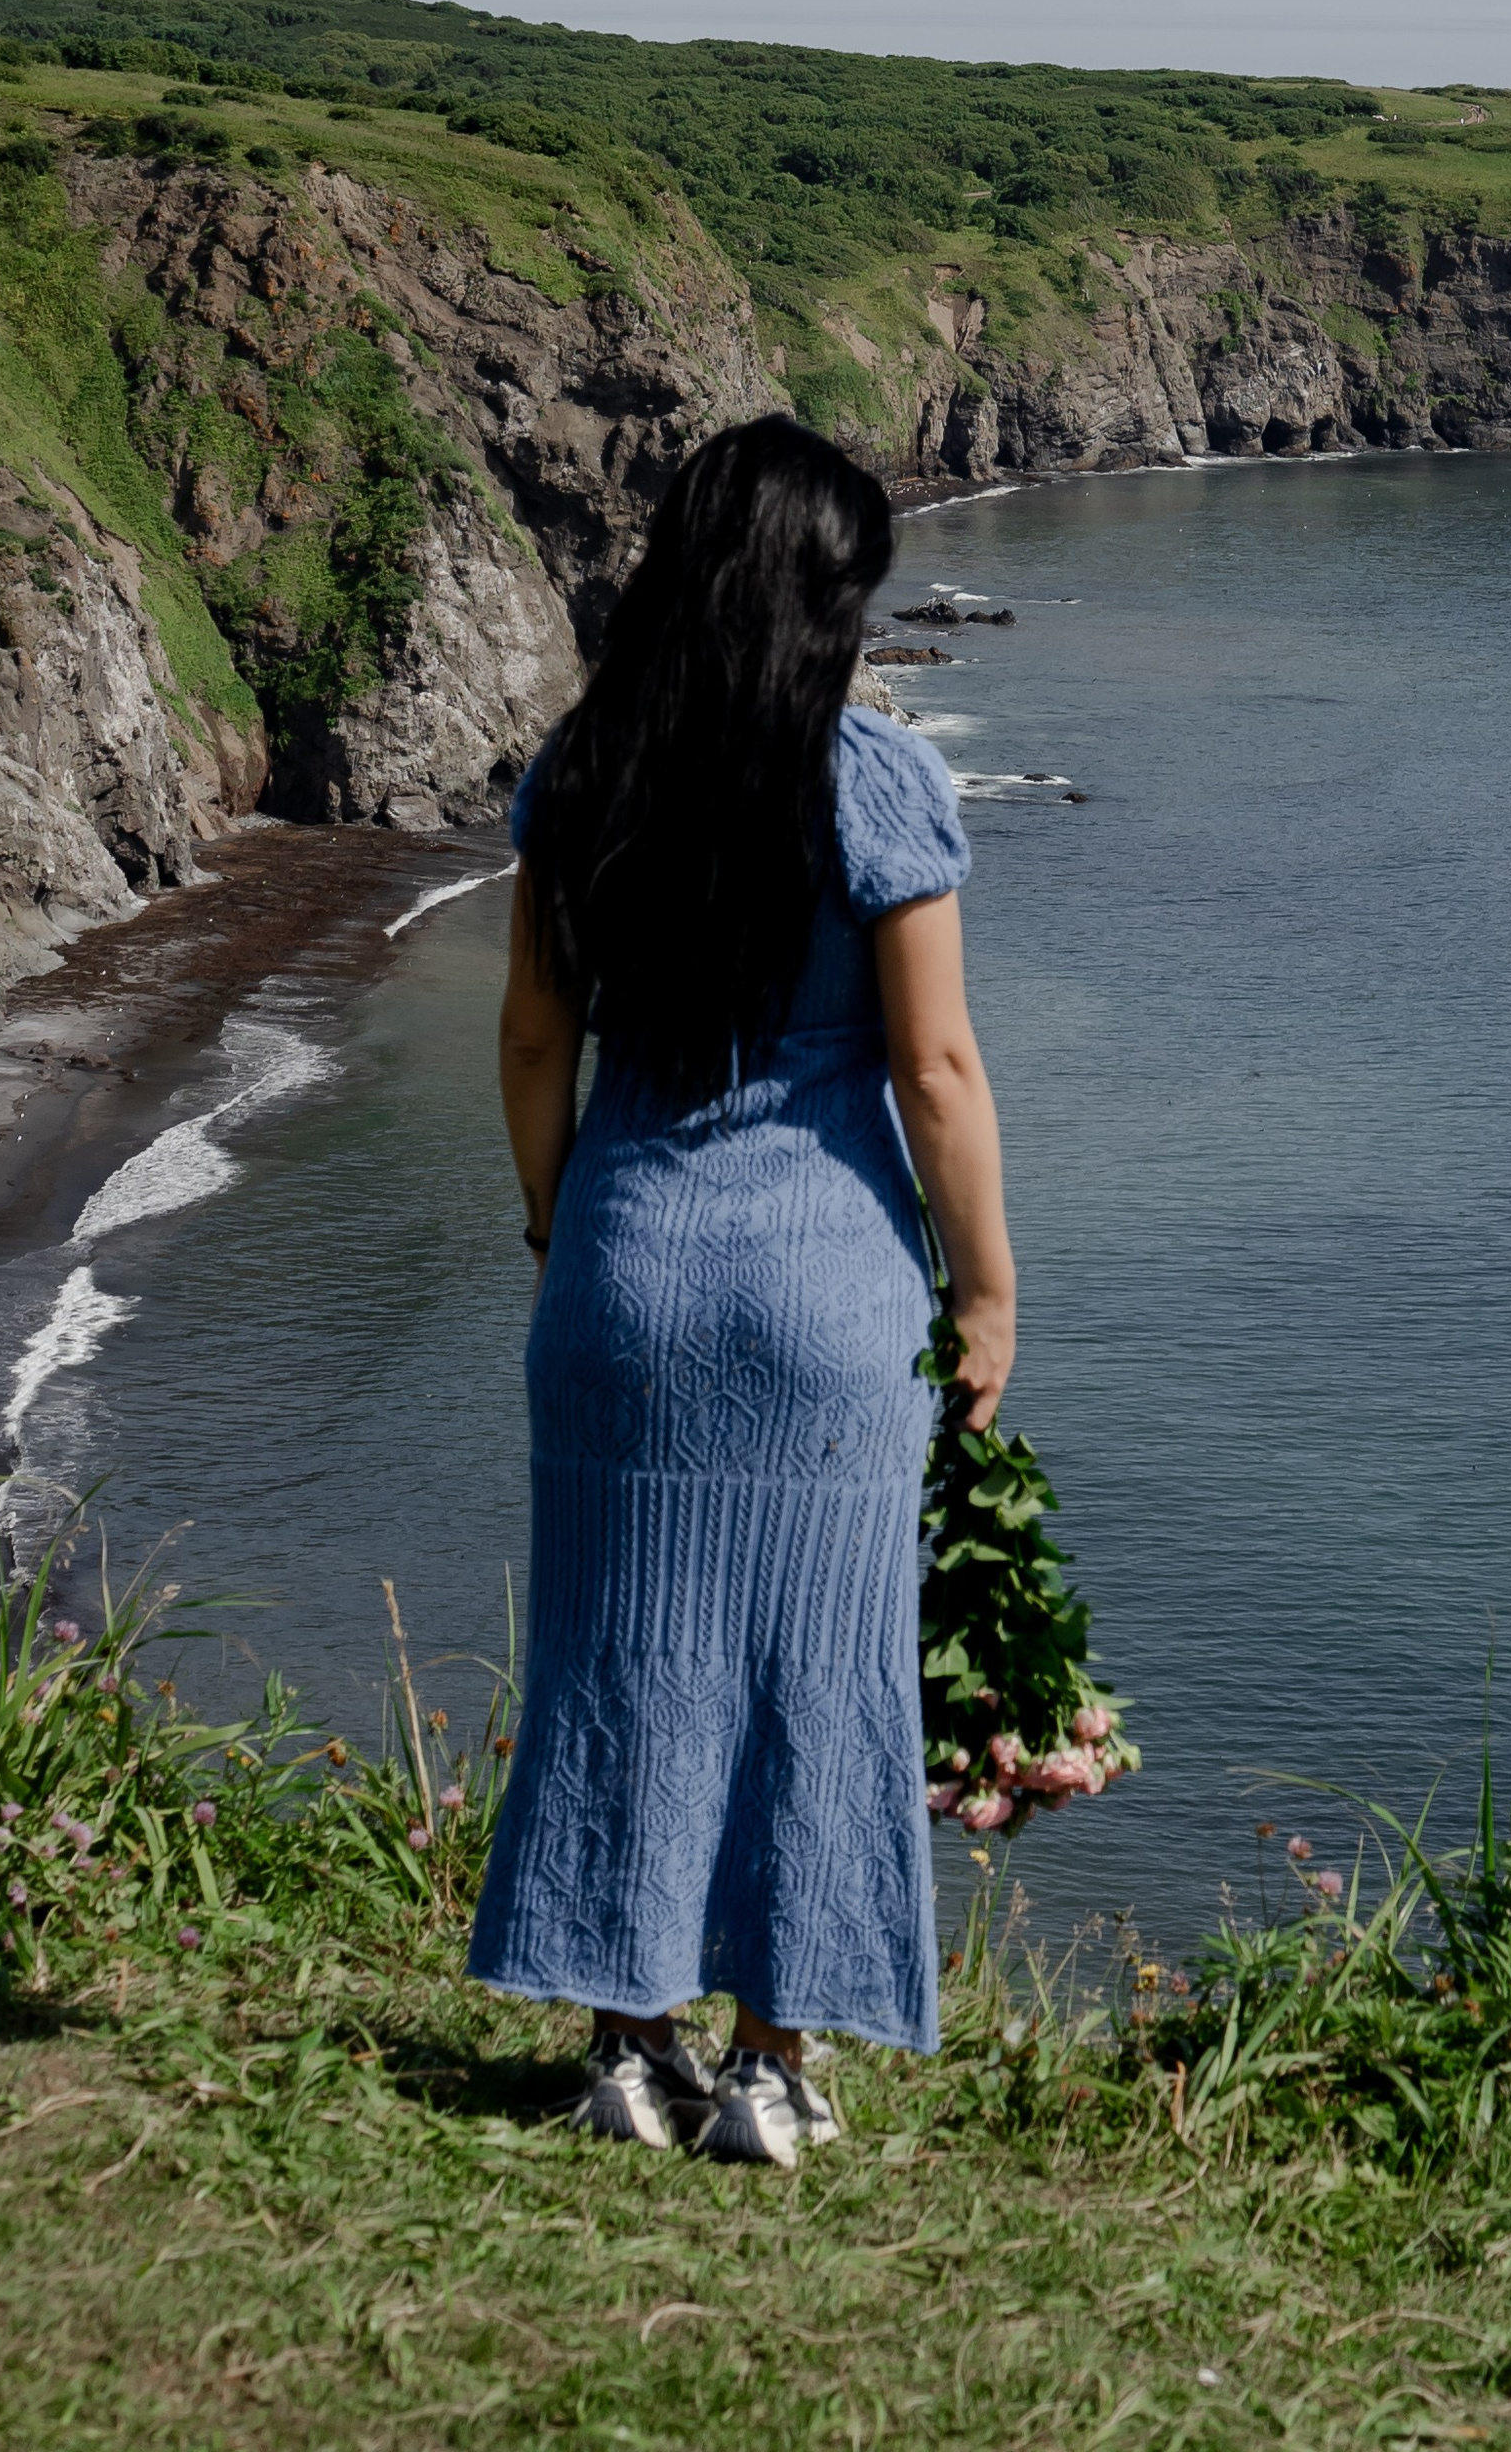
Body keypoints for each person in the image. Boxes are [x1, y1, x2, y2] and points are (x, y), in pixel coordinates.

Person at [467, 415, 1017, 2167]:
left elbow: (539, 1034)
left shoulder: (582, 772)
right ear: (818, 600)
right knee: (816, 1674)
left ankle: (628, 2049)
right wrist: (991, 1297)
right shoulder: (878, 784)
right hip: (824, 1301)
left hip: (624, 1274)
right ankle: (773, 2071)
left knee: (624, 1658)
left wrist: (567, 1227)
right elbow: (935, 1070)